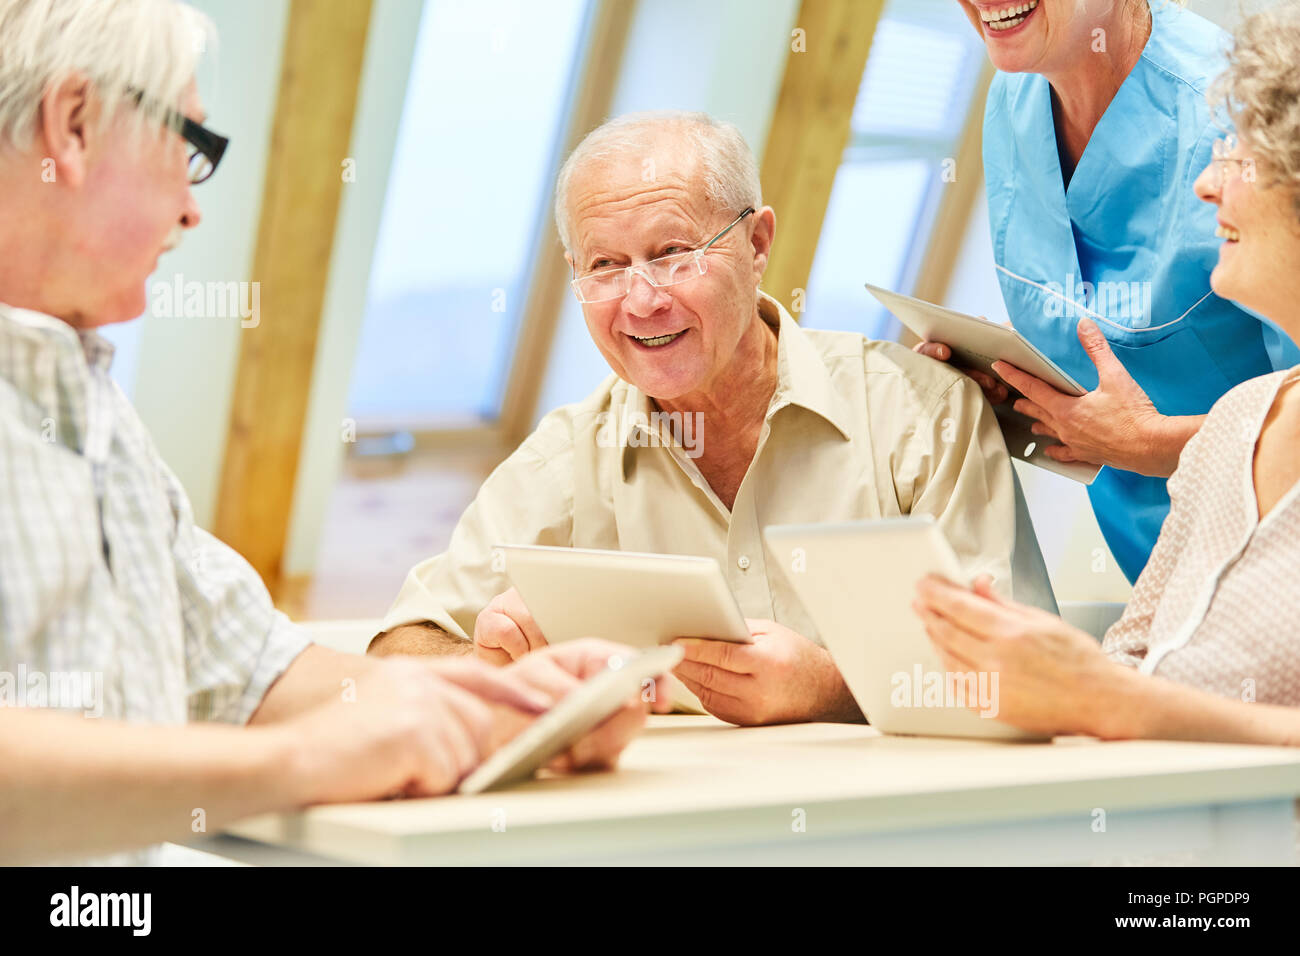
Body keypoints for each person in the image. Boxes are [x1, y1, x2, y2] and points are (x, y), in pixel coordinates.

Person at [0, 0, 659, 866]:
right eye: (189, 149)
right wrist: (301, 763)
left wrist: (503, 707)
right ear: (75, 124)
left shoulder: (93, 408)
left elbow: (257, 674)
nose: (193, 214)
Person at [370, 111, 1053, 727]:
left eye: (672, 255)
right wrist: (498, 662)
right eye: (606, 266)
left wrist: (828, 686)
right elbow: (400, 648)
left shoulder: (922, 413)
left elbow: (1029, 677)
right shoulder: (569, 454)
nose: (640, 301)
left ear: (757, 244)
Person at [913, 2, 1300, 744]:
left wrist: (1148, 442)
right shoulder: (1015, 96)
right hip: (1170, 609)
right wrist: (1021, 400)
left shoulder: (1237, 104)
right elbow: (1136, 667)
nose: (1206, 188)